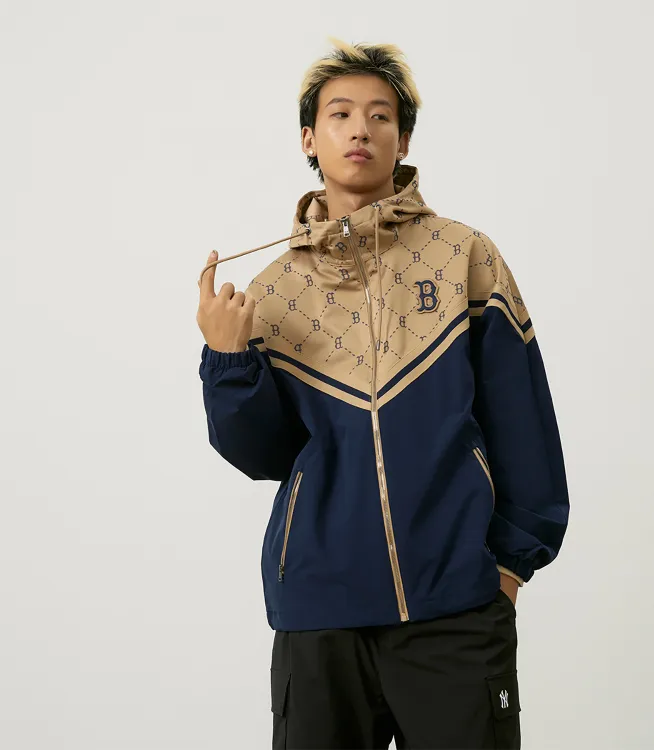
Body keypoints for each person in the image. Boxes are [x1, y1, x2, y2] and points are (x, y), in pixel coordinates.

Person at [196, 36, 569, 750]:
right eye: (339, 114)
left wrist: (507, 569)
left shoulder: (464, 256)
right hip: (318, 617)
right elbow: (262, 456)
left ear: (403, 139)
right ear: (309, 138)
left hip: (456, 611)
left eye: (379, 115)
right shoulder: (271, 291)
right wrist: (227, 358)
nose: (360, 129)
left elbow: (523, 420)